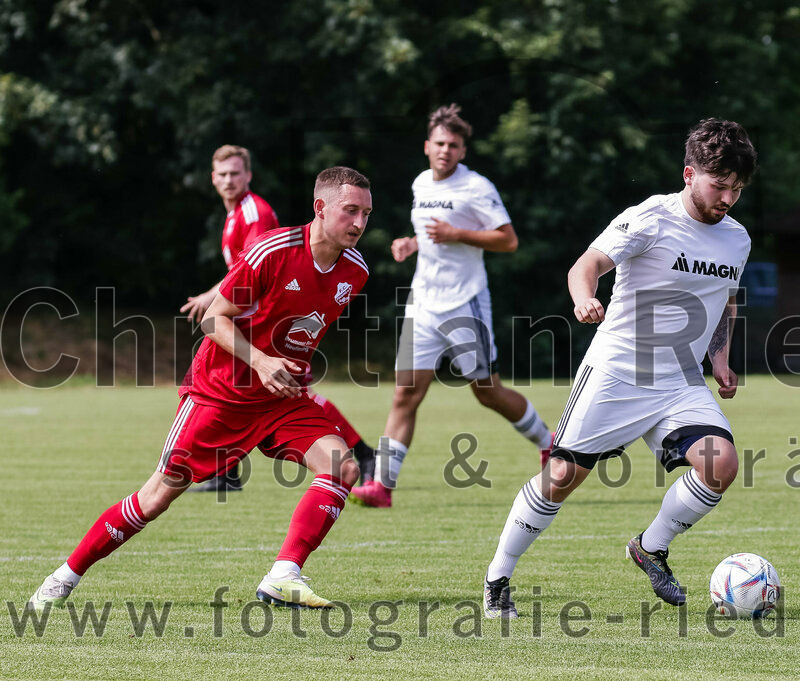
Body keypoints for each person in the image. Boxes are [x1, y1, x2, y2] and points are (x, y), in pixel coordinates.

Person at [28, 167, 374, 610]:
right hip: (220, 394)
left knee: (342, 467)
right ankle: (63, 577)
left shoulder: (356, 272)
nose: (360, 223)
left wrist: (286, 369)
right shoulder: (273, 250)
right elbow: (214, 318)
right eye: (351, 211)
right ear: (320, 208)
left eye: (366, 213)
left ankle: (284, 574)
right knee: (155, 498)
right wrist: (263, 360)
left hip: (279, 400)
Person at [481, 118, 758, 618]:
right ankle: (498, 577)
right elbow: (584, 265)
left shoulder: (736, 240)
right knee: (561, 475)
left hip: (679, 381)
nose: (728, 199)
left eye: (737, 189)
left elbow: (726, 299)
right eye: (720, 186)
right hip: (617, 371)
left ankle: (650, 548)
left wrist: (720, 357)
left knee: (721, 464)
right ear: (689, 173)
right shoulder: (651, 216)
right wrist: (584, 298)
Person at [349, 104, 554, 509]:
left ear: (462, 151)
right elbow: (429, 234)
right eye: (439, 143)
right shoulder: (421, 183)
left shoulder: (476, 187)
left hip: (465, 302)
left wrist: (457, 233)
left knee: (487, 392)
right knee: (405, 394)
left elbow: (508, 240)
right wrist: (412, 243)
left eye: (454, 145)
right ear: (427, 146)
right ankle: (382, 487)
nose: (445, 150)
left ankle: (550, 444)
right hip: (424, 303)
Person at [181, 145, 375, 492]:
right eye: (222, 174)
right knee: (284, 393)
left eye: (235, 173)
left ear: (248, 175)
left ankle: (362, 453)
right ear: (212, 178)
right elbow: (243, 271)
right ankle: (229, 472)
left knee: (291, 393)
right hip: (261, 326)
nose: (228, 180)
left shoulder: (253, 212)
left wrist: (215, 297)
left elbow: (257, 265)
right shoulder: (233, 215)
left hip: (271, 324)